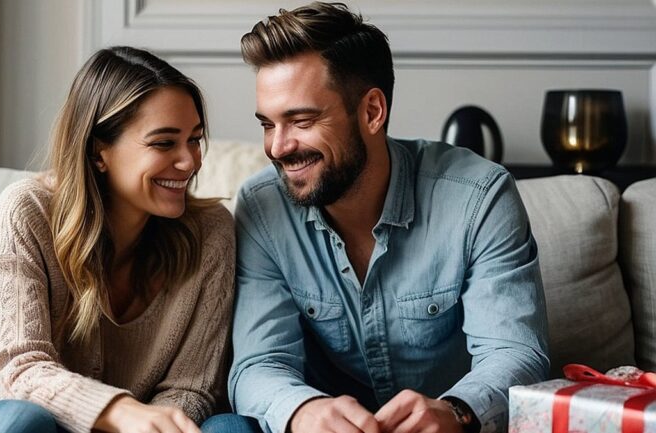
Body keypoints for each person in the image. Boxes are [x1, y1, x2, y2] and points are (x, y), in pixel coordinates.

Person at [216, 3, 550, 433]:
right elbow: (259, 363)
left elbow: (517, 353)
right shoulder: (263, 207)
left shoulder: (479, 196)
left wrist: (457, 411)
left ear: (372, 111)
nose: (278, 147)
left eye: (301, 121)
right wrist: (301, 411)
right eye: (268, 124)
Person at [0, 46, 235, 433]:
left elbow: (192, 389)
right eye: (164, 143)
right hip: (9, 419)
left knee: (230, 428)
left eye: (194, 140)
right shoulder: (27, 210)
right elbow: (20, 369)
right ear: (98, 151)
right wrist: (118, 411)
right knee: (26, 422)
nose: (190, 162)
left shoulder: (212, 232)